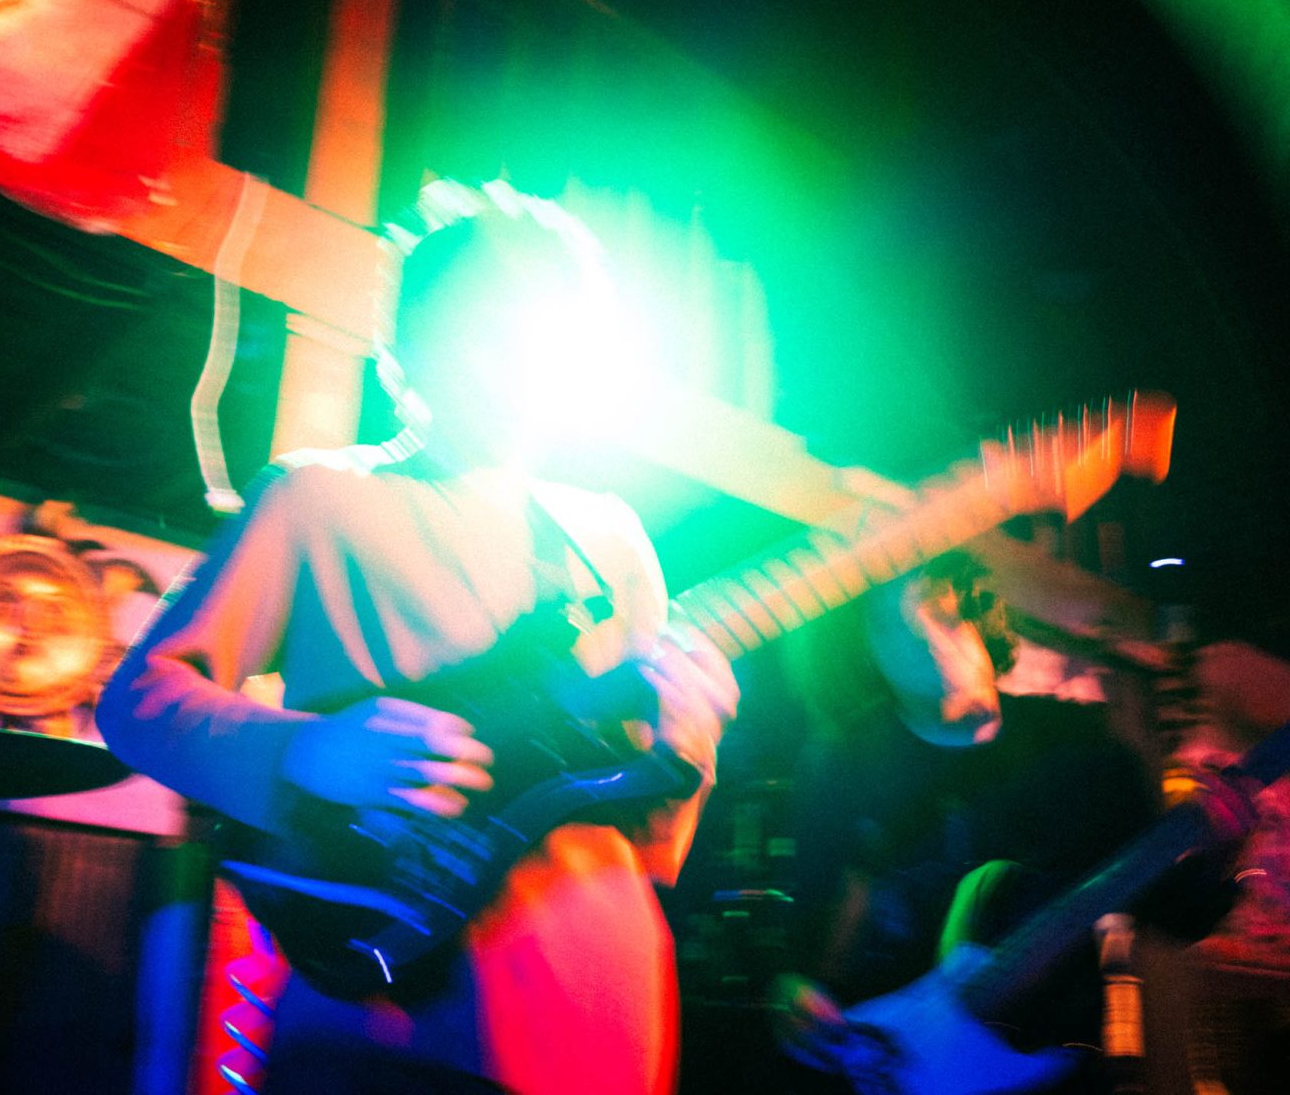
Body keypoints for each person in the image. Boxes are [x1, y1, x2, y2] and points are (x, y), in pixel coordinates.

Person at [94, 179, 738, 1094]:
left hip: (599, 983)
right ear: (407, 344)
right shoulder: (316, 495)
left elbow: (651, 840)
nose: (512, 355)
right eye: (482, 322)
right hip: (394, 984)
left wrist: (691, 752)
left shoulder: (611, 537)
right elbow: (140, 700)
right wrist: (309, 751)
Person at [768, 552, 1165, 1085]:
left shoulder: (1085, 746)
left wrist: (1223, 856)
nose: (925, 633)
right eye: (891, 621)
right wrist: (792, 993)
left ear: (975, 605)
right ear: (864, 651)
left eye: (935, 602)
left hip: (1053, 1070)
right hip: (893, 1064)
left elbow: (1170, 910)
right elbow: (812, 938)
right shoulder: (838, 767)